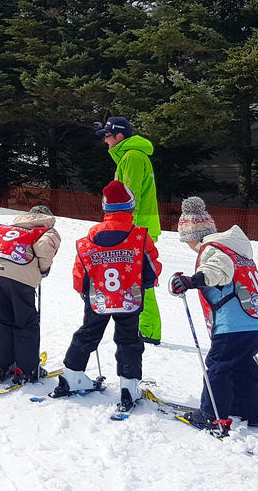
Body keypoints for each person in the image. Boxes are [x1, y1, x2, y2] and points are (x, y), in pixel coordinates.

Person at [170, 196, 258, 434]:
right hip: (256, 319)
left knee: (218, 366)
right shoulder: (235, 247)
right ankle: (248, 410)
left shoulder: (212, 248)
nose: (187, 244)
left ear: (193, 236)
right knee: (243, 365)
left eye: (186, 239)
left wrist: (192, 280)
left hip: (234, 322)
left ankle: (212, 415)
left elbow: (218, 269)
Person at [54, 181, 161, 411]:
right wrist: (147, 284)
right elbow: (151, 267)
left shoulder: (89, 237)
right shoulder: (139, 235)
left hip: (98, 296)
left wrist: (83, 291)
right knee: (128, 339)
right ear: (131, 207)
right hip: (129, 296)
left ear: (105, 208)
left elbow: (80, 269)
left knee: (87, 333)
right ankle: (128, 385)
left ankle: (72, 376)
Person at [0, 204, 62, 384]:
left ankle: (2, 365)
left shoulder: (3, 227)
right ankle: (27, 369)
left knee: (0, 319)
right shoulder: (47, 230)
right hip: (20, 277)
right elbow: (44, 248)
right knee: (26, 321)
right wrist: (43, 269)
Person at [95, 116, 163, 345]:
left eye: (107, 135)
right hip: (138, 225)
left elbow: (131, 195)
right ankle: (145, 327)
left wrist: (126, 229)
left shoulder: (132, 156)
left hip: (136, 227)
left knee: (142, 278)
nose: (105, 141)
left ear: (119, 136)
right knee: (138, 276)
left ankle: (148, 330)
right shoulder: (130, 155)